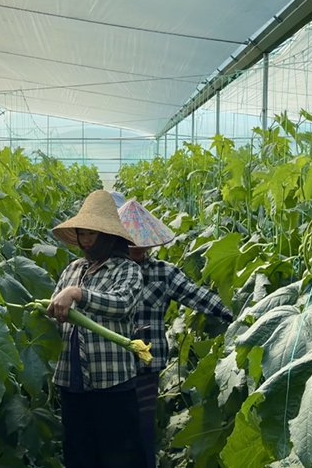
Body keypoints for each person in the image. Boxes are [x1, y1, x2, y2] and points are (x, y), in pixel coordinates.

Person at [115, 196, 234, 468]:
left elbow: (197, 296)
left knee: (143, 429)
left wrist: (234, 314)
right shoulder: (108, 271)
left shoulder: (164, 273)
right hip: (112, 366)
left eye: (142, 243)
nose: (138, 248)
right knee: (116, 431)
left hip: (146, 365)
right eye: (131, 243)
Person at [47, 189, 147, 468]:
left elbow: (122, 303)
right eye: (82, 234)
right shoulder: (72, 269)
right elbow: (56, 308)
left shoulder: (126, 269)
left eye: (92, 233)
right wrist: (50, 310)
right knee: (79, 456)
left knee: (120, 458)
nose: (86, 240)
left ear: (108, 236)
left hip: (112, 382)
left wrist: (79, 294)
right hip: (72, 381)